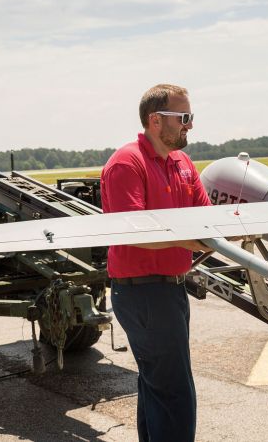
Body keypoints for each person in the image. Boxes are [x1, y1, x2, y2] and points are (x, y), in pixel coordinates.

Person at [100, 84, 211, 442]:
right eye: (184, 118)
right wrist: (189, 238)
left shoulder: (182, 163)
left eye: (190, 118)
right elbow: (137, 234)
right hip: (143, 293)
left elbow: (206, 219)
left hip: (171, 290)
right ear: (155, 120)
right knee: (174, 391)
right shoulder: (126, 163)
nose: (189, 126)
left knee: (157, 384)